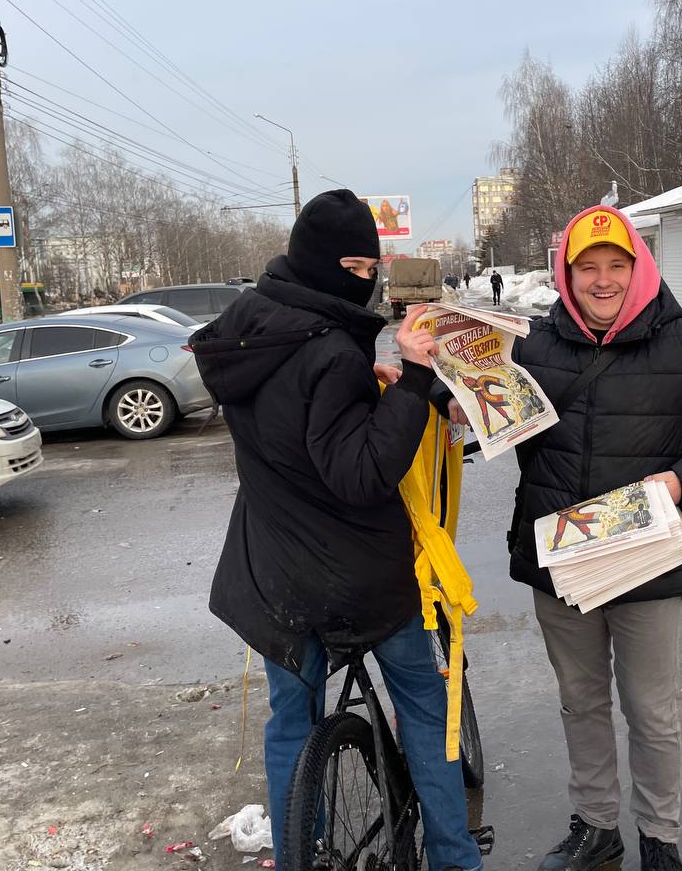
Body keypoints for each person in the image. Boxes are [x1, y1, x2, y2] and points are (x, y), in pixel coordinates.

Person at [192, 189, 483, 871]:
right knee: (424, 704)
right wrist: (410, 380)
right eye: (356, 268)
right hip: (359, 576)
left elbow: (297, 417)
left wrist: (358, 389)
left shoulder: (249, 328)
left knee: (292, 725)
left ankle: (303, 854)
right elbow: (361, 474)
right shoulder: (329, 350)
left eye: (371, 268)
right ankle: (454, 857)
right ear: (323, 262)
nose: (366, 280)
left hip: (271, 573)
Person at [509, 205, 682, 871]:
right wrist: (431, 382)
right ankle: (596, 826)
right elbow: (481, 404)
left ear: (639, 270)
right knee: (580, 702)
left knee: (651, 710)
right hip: (561, 557)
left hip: (645, 559)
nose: (602, 280)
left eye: (617, 265)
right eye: (587, 267)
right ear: (566, 275)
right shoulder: (534, 345)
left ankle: (660, 838)